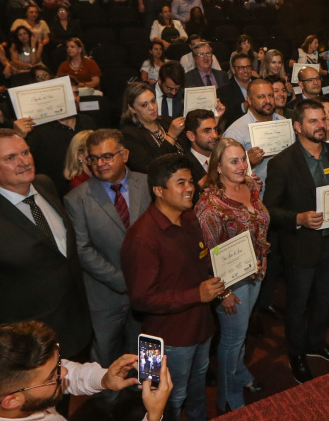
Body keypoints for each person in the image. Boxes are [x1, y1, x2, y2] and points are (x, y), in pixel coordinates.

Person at [121, 154, 225, 421]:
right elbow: (141, 300)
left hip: (201, 328)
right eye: (180, 183)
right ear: (159, 190)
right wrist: (197, 295)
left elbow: (200, 265)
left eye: (190, 181)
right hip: (165, 341)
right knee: (165, 401)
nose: (190, 188)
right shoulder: (142, 238)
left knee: (197, 390)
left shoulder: (189, 219)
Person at [0, 129, 92, 358]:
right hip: (27, 350)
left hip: (75, 331)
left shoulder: (45, 185)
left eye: (25, 152)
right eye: (10, 158)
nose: (23, 162)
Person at [262, 100, 329, 382]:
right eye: (313, 121)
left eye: (322, 119)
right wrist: (298, 218)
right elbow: (268, 210)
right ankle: (297, 353)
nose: (321, 125)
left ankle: (316, 343)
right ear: (298, 126)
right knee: (297, 305)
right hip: (300, 246)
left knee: (324, 298)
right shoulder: (282, 163)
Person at [64, 130, 149, 372]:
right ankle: (107, 403)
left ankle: (147, 395)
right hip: (106, 296)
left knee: (146, 348)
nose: (100, 164)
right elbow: (82, 249)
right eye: (93, 158)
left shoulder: (147, 183)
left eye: (108, 156)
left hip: (150, 290)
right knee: (106, 356)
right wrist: (124, 282)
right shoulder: (76, 199)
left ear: (125, 155)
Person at [195, 139, 268, 412]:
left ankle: (240, 374)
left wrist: (264, 257)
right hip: (229, 282)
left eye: (242, 160)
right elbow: (207, 255)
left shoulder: (251, 186)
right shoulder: (210, 205)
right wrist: (222, 292)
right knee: (232, 338)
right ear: (218, 166)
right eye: (233, 161)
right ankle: (228, 397)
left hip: (255, 273)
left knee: (242, 332)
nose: (240, 166)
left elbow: (260, 224)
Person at [0, 320, 172, 421]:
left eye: (58, 364)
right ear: (11, 401)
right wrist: (154, 416)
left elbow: (73, 373)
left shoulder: (16, 387)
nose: (64, 372)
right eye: (52, 376)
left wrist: (105, 379)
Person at [222, 78, 287, 196]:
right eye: (261, 97)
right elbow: (225, 173)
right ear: (249, 100)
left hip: (286, 194)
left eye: (270, 95)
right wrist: (248, 163)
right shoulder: (235, 131)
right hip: (255, 198)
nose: (268, 101)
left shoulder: (284, 123)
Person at [120, 82, 185, 174]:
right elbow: (149, 167)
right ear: (132, 108)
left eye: (153, 101)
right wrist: (171, 136)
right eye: (144, 105)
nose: (152, 108)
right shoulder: (129, 133)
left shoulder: (167, 121)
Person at [218, 52, 254, 129]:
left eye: (248, 67)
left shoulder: (260, 84)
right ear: (234, 70)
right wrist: (243, 107)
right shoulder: (224, 90)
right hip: (237, 130)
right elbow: (227, 115)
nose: (245, 70)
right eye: (241, 68)